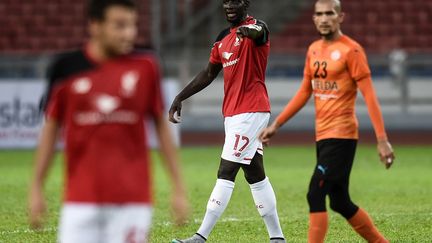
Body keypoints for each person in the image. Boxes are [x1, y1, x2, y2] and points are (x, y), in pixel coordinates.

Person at [28, 0, 188, 242]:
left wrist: (178, 186)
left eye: (132, 25)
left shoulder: (147, 67)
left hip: (132, 201)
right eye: (120, 26)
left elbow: (160, 126)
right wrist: (37, 186)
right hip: (80, 201)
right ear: (95, 26)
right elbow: (51, 128)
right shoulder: (66, 69)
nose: (129, 34)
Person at [260, 0, 395, 242]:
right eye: (319, 14)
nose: (324, 18)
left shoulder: (351, 51)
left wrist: (382, 140)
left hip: (342, 136)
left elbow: (370, 96)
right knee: (341, 201)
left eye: (329, 13)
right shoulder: (313, 49)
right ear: (313, 18)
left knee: (315, 193)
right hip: (322, 135)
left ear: (340, 17)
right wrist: (276, 125)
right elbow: (304, 92)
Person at [169, 0, 286, 242]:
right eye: (226, 2)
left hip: (251, 110)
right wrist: (180, 96)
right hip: (233, 114)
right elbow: (209, 73)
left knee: (226, 170)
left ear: (246, 4)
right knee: (255, 174)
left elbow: (260, 32)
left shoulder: (257, 28)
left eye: (236, 1)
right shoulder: (222, 38)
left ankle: (200, 236)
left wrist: (248, 31)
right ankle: (277, 238)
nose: (230, 5)